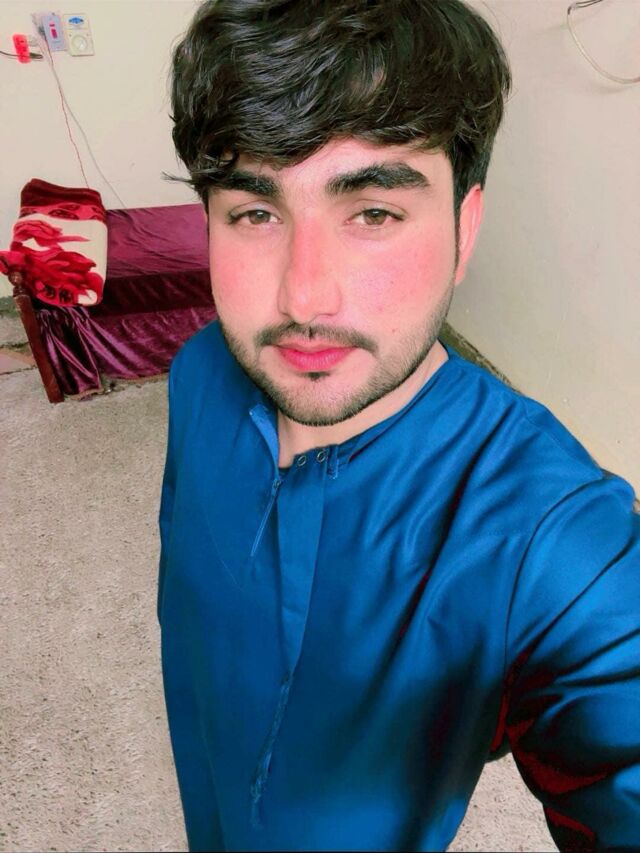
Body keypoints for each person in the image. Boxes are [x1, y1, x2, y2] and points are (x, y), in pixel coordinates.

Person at [158, 1, 640, 850]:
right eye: (256, 212)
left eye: (373, 212)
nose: (304, 296)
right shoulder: (200, 373)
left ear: (464, 227)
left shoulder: (558, 545)